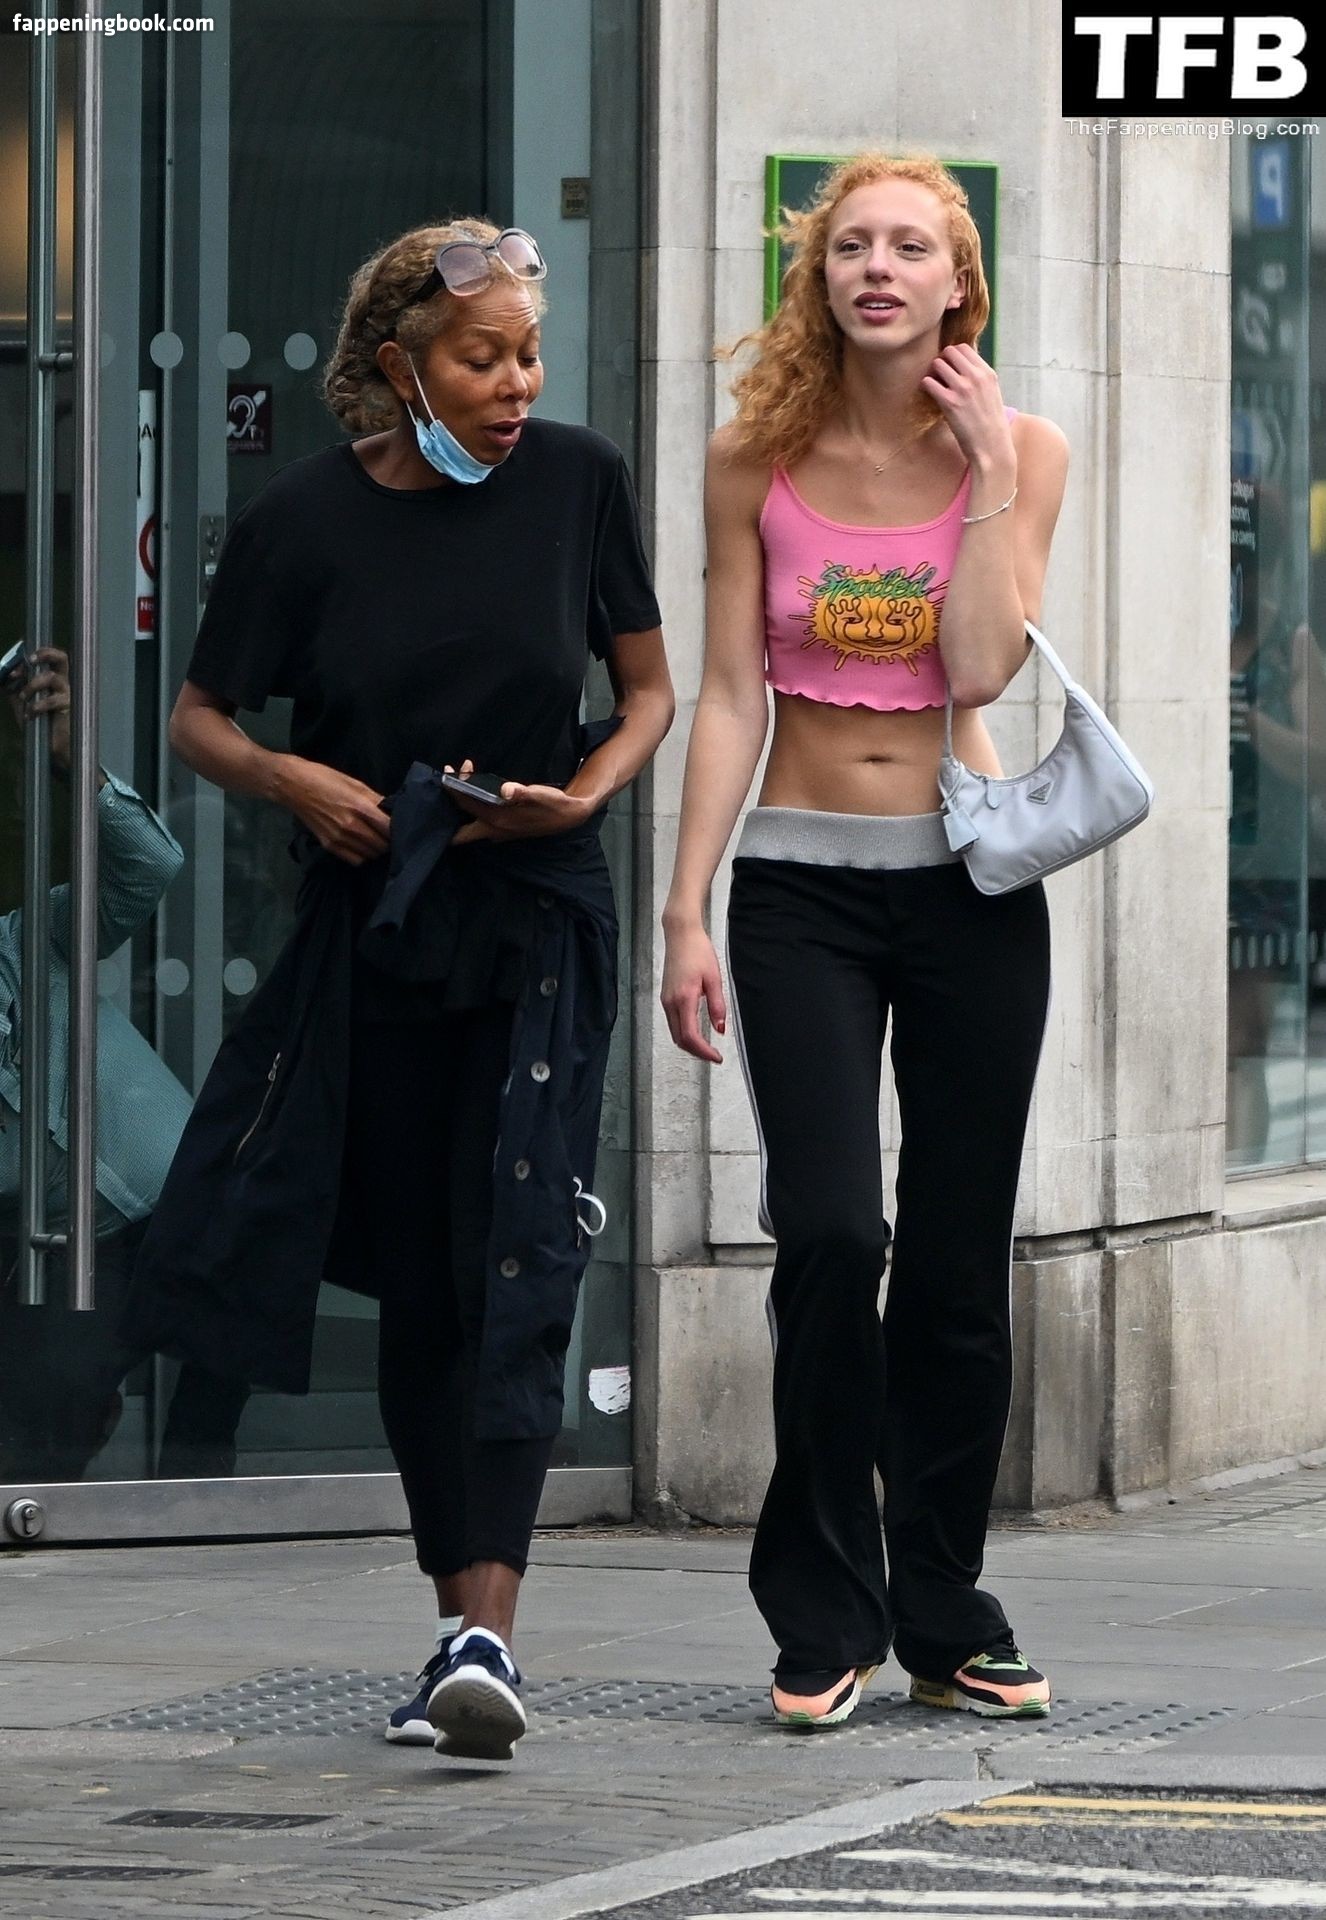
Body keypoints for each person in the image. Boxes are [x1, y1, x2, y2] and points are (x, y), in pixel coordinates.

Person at [125, 221, 673, 1761]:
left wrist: (583, 796)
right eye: (481, 359)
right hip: (378, 923)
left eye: (528, 356)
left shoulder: (579, 483)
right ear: (400, 369)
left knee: (518, 1253)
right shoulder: (302, 521)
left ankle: (490, 1629)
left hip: (538, 915)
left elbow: (646, 691)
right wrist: (293, 780)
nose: (516, 386)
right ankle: (456, 1627)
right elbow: (199, 719)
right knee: (426, 1281)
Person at [661, 153, 1069, 1729]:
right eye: (850, 247)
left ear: (958, 283)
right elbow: (725, 695)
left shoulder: (1022, 447)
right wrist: (686, 909)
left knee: (956, 1264)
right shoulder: (748, 456)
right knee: (832, 1234)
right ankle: (820, 1609)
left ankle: (943, 1611)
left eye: (908, 247)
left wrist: (986, 472)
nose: (876, 268)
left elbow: (976, 671)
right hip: (798, 889)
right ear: (817, 275)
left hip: (968, 891)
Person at [0, 647, 250, 1481]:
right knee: (39, 1425)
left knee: (239, 1304)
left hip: (186, 1203)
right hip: (70, 1248)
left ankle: (199, 1505)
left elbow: (148, 866)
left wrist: (70, 757)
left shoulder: (19, 943)